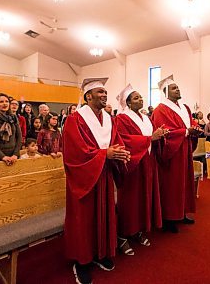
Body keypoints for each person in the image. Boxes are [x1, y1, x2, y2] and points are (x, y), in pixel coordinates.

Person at [62, 77, 130, 284]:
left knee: (105, 215)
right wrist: (104, 155)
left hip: (104, 175)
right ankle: (81, 262)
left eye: (105, 92)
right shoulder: (75, 119)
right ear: (88, 96)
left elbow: (115, 141)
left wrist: (120, 153)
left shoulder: (109, 119)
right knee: (84, 219)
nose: (104, 95)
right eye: (99, 92)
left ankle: (101, 253)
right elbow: (75, 153)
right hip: (84, 178)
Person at [115, 84, 167, 256]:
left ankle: (137, 229)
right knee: (130, 199)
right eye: (135, 98)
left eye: (140, 97)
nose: (140, 99)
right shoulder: (122, 118)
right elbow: (124, 140)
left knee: (144, 196)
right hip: (134, 164)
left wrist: (160, 135)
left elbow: (152, 136)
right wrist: (150, 138)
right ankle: (122, 235)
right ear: (128, 103)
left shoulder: (145, 118)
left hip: (148, 161)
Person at [151, 75, 200, 233]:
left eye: (177, 87)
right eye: (173, 88)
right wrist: (186, 131)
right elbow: (165, 132)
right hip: (172, 151)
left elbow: (190, 122)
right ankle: (168, 217)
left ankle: (182, 212)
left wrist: (195, 128)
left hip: (184, 148)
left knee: (185, 181)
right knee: (171, 184)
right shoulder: (160, 109)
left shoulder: (184, 107)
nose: (177, 89)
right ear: (166, 92)